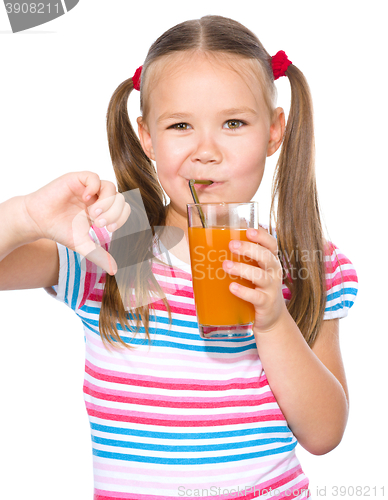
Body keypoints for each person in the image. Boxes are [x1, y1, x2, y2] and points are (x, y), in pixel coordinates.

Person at [0, 15, 358, 500]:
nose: (206, 151)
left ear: (274, 131)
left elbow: (324, 434)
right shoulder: (122, 245)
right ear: (148, 137)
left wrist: (273, 321)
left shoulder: (300, 261)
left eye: (234, 123)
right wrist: (23, 216)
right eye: (181, 125)